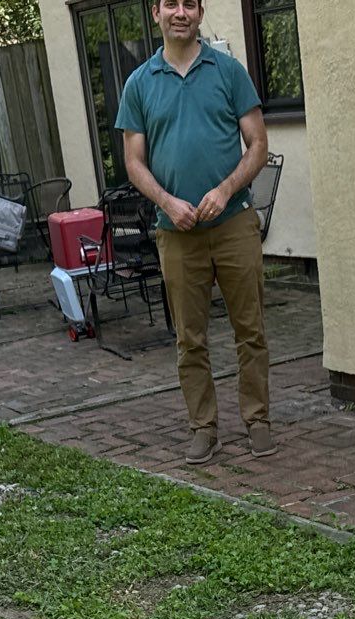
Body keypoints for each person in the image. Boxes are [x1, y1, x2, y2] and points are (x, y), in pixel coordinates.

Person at [115, 0, 275, 463]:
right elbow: (133, 163)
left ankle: (258, 419)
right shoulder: (140, 83)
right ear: (156, 14)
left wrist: (225, 191)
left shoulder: (228, 72)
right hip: (176, 231)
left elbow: (259, 144)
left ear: (200, 13)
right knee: (190, 338)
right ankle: (203, 428)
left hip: (233, 224)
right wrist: (167, 202)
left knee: (251, 329)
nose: (180, 12)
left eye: (189, 3)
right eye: (171, 4)